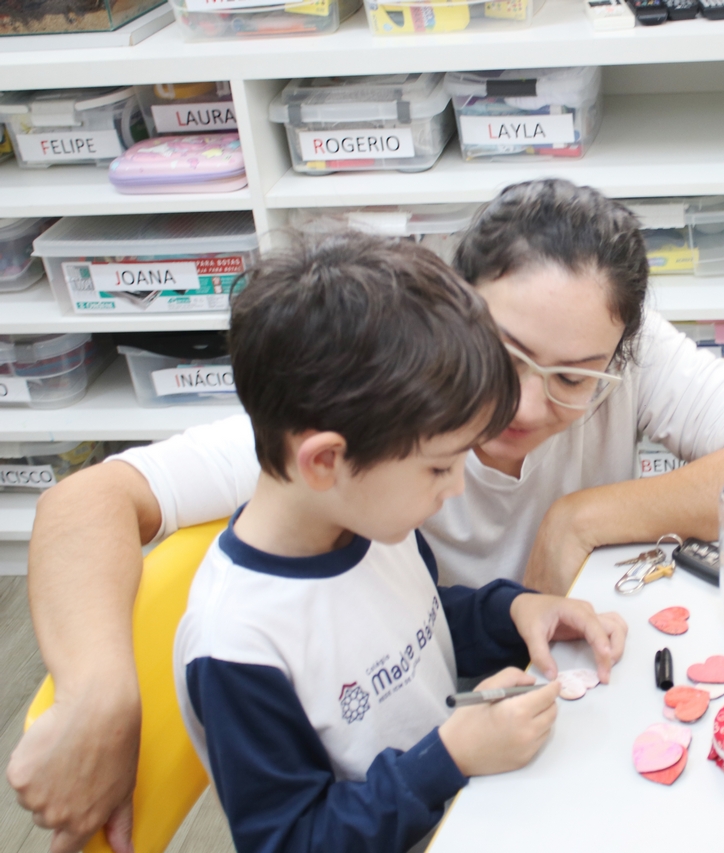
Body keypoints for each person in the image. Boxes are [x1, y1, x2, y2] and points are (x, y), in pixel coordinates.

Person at [10, 179, 724, 853]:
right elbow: (89, 499)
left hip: (474, 753)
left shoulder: (373, 522)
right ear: (453, 307)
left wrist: (565, 538)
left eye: (573, 378)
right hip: (439, 775)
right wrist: (101, 697)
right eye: (506, 354)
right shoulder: (354, 420)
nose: (524, 405)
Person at [190, 233, 625, 852]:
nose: (456, 488)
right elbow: (290, 840)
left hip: (464, 808)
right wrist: (448, 758)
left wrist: (515, 611)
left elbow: (418, 623)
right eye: (439, 466)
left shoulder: (369, 525)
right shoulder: (238, 646)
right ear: (325, 461)